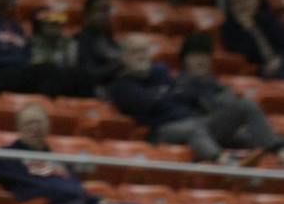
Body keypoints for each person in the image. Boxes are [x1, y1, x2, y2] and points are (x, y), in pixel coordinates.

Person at [109, 35, 284, 162]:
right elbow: (153, 106)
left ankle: (278, 151)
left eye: (144, 50)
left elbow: (185, 97)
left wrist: (172, 95)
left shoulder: (160, 72)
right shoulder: (122, 86)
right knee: (193, 128)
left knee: (245, 111)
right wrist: (172, 95)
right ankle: (224, 163)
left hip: (196, 122)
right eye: (135, 52)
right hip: (163, 130)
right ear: (124, 57)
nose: (141, 55)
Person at [0, 104, 141, 204]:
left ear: (47, 127)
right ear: (19, 128)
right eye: (29, 124)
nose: (35, 128)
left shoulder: (56, 159)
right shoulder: (10, 156)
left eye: (39, 123)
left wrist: (96, 201)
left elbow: (74, 188)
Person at [220, 0, 284, 77]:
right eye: (238, 2)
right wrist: (249, 30)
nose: (243, 5)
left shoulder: (267, 19)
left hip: (279, 62)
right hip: (259, 71)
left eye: (246, 0)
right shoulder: (228, 28)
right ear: (231, 6)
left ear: (256, 1)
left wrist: (279, 60)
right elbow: (244, 56)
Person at [75, 0, 124, 87]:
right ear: (87, 14)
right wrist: (119, 64)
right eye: (99, 10)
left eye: (106, 11)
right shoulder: (80, 40)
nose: (104, 15)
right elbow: (89, 75)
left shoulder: (110, 40)